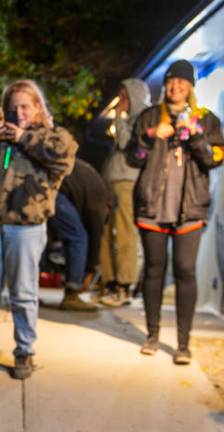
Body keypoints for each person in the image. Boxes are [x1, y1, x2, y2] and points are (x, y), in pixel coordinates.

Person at [0, 79, 77, 379]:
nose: (19, 113)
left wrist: (25, 138)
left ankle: (24, 350)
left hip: (25, 226)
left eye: (25, 106)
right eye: (12, 108)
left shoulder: (49, 136)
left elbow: (64, 158)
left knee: (23, 294)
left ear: (38, 107)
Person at [127, 60, 224, 364]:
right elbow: (133, 157)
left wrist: (194, 135)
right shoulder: (149, 116)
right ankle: (152, 335)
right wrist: (150, 135)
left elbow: (215, 158)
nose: (175, 87)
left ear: (190, 87)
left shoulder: (206, 119)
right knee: (154, 269)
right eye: (171, 81)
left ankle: (183, 344)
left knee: (185, 269)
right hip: (153, 206)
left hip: (190, 208)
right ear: (165, 85)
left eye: (182, 82)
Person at [99, 78, 151, 307]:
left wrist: (119, 117)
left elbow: (124, 142)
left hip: (127, 181)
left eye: (124, 95)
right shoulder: (127, 116)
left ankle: (124, 285)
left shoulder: (141, 117)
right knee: (106, 232)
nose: (120, 100)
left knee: (124, 231)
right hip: (111, 181)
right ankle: (109, 282)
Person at [53, 158, 112, 311]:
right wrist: (90, 270)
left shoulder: (95, 183)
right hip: (54, 189)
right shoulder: (100, 202)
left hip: (48, 182)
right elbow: (95, 236)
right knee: (78, 238)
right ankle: (72, 294)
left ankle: (28, 289)